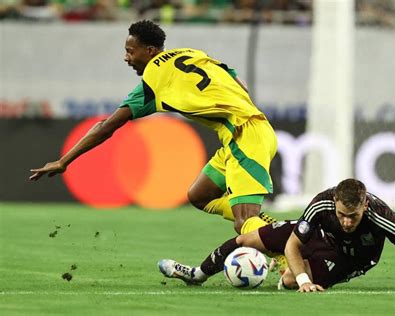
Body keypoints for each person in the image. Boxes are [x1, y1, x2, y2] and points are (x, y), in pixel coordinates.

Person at [29, 20, 278, 237]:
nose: (126, 58)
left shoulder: (153, 80)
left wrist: (64, 161)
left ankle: (290, 256)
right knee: (200, 195)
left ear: (149, 51)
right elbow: (239, 82)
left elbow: (107, 127)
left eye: (130, 51)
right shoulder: (191, 53)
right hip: (246, 131)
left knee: (243, 223)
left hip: (245, 137)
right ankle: (262, 225)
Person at [158, 178, 395, 293]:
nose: (347, 222)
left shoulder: (380, 216)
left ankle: (284, 268)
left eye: (353, 216)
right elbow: (294, 242)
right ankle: (197, 275)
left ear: (364, 206)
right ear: (335, 200)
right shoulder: (322, 203)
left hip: (348, 258)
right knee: (245, 239)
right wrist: (306, 279)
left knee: (290, 280)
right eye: (342, 214)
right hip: (318, 235)